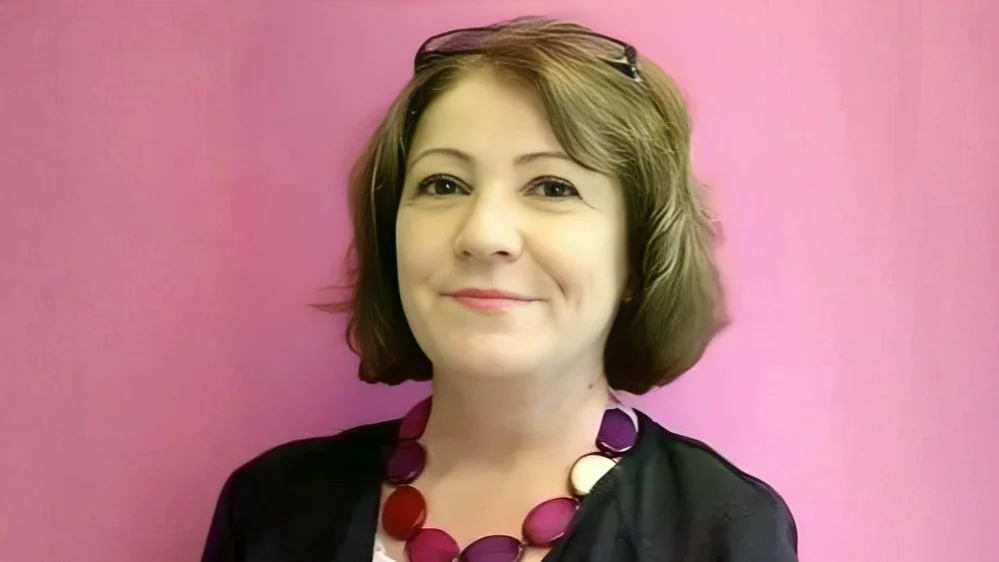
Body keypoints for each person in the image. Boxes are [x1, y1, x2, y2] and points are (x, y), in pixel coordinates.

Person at [201, 15, 798, 562]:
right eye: (443, 184)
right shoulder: (268, 509)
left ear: (639, 256)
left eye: (553, 187)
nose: (484, 235)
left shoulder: (723, 532)